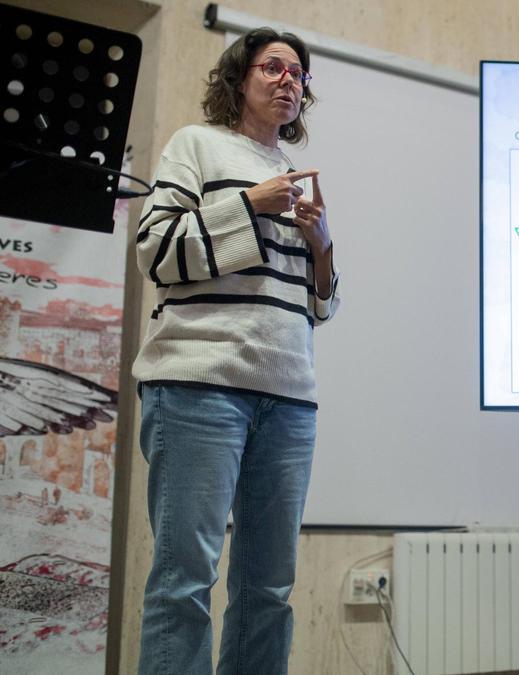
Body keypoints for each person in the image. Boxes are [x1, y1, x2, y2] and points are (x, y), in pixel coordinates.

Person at [132, 27, 339, 674]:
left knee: (269, 590)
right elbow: (158, 252)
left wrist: (323, 245)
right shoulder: (196, 145)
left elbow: (320, 305)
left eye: (298, 74)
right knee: (184, 582)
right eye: (274, 67)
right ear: (238, 78)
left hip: (289, 397)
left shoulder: (295, 177)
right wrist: (249, 204)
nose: (289, 81)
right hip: (198, 384)